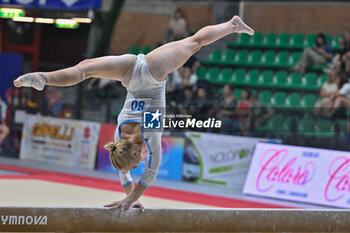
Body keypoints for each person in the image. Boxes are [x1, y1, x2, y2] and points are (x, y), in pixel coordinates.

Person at [13, 16, 254, 215]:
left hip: (152, 71)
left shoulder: (149, 132)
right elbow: (124, 169)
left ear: (136, 152)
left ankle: (232, 26)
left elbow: (150, 173)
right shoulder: (120, 139)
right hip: (129, 72)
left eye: (136, 161)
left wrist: (130, 198)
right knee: (85, 68)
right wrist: (130, 197)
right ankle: (43, 78)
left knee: (195, 42)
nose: (140, 163)